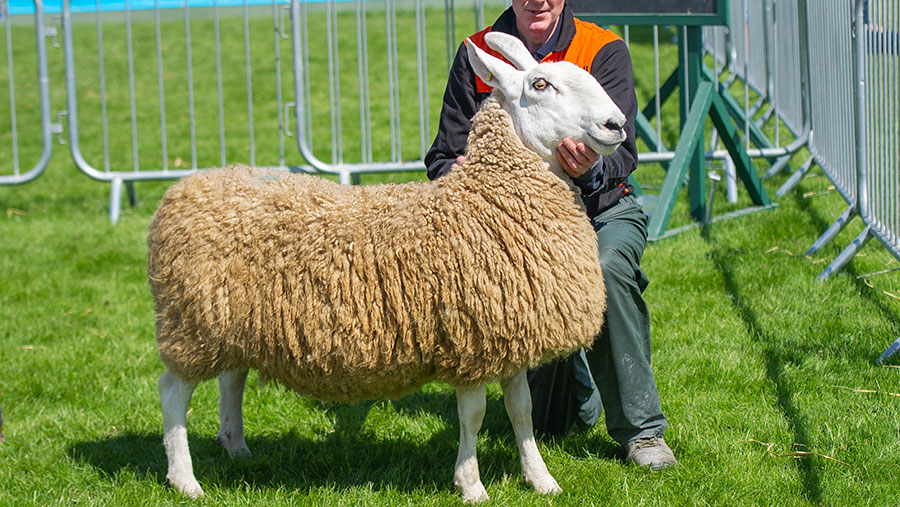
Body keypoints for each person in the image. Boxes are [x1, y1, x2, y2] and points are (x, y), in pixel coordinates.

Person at [425, 0, 676, 470]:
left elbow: (623, 153)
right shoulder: (477, 54)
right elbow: (443, 152)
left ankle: (641, 432)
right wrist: (461, 171)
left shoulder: (601, 48)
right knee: (555, 425)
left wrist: (588, 171)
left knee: (604, 269)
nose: (538, 0)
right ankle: (575, 388)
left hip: (601, 210)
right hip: (520, 230)